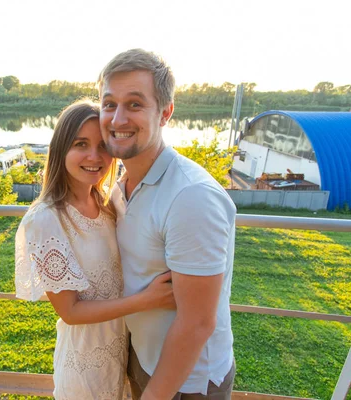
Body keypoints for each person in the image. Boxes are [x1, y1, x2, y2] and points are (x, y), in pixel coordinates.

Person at [98, 49, 237, 400]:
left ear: (166, 113)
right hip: (143, 357)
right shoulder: (123, 185)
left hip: (186, 382)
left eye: (134, 104)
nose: (117, 119)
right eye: (109, 103)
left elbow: (197, 323)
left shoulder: (191, 196)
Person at [15, 99, 175, 400]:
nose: (94, 156)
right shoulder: (46, 219)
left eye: (103, 145)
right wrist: (147, 300)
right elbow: (71, 311)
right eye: (80, 144)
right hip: (83, 367)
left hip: (120, 356)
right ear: (62, 148)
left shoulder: (106, 204)